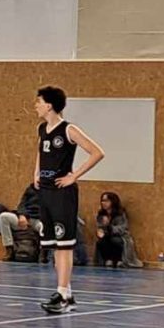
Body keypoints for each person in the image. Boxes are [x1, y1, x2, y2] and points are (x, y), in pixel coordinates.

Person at [35, 86, 106, 315]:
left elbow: (97, 152)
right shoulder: (42, 129)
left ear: (49, 105)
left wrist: (74, 176)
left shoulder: (69, 129)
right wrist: (36, 173)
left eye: (39, 102)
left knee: (64, 245)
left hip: (62, 193)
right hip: (45, 191)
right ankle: (67, 294)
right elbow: (41, 152)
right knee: (55, 246)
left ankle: (62, 294)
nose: (36, 106)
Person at [0, 184, 43, 262]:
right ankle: (9, 249)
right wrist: (22, 215)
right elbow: (22, 204)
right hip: (24, 218)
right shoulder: (30, 189)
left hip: (38, 220)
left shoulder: (50, 191)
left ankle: (42, 253)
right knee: (4, 216)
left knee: (44, 227)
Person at [94, 191, 137, 268]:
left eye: (106, 201)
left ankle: (119, 260)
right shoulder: (101, 214)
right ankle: (108, 259)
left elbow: (122, 228)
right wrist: (101, 231)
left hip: (121, 237)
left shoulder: (120, 213)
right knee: (101, 242)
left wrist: (109, 227)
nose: (103, 203)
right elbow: (100, 227)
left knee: (115, 241)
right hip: (106, 236)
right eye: (102, 201)